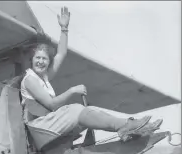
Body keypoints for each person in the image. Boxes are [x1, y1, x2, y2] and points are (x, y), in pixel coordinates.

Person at [20, 7, 162, 142]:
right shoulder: (30, 80)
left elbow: (61, 53)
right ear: (31, 60)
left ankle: (130, 127)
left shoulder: (44, 76)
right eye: (37, 58)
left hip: (48, 123)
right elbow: (51, 104)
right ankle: (127, 126)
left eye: (44, 58)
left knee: (87, 110)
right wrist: (72, 90)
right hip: (40, 127)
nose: (40, 61)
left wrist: (64, 28)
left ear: (48, 61)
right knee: (76, 109)